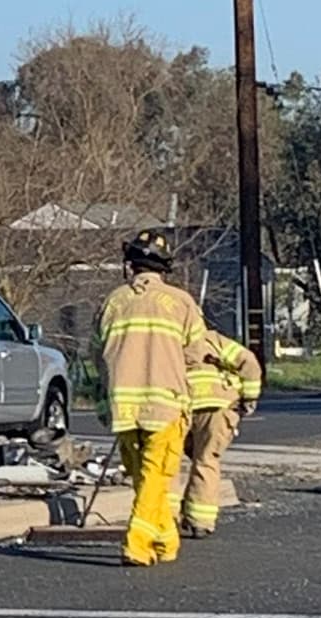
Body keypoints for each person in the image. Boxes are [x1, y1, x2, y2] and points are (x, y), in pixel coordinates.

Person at [90, 229, 206, 567]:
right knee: (156, 475)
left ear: (130, 266)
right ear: (164, 267)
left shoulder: (113, 302)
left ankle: (165, 539)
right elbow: (196, 354)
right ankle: (137, 544)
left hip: (123, 406)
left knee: (143, 476)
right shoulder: (180, 303)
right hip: (165, 405)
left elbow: (95, 355)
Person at [172, 328, 262, 538]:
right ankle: (200, 521)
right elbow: (248, 362)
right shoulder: (212, 339)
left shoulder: (167, 342)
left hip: (179, 405)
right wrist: (249, 397)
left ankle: (166, 519)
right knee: (206, 460)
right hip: (217, 405)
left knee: (169, 462)